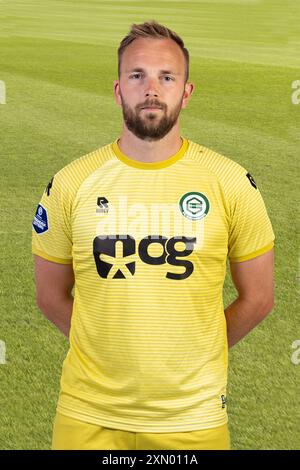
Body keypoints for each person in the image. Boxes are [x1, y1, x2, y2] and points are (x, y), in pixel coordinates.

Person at [32, 20, 275, 450]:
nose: (151, 88)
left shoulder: (231, 182)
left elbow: (258, 298)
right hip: (87, 414)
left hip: (193, 417)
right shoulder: (71, 183)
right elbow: (50, 297)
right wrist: (107, 350)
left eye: (166, 76)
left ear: (186, 91)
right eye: (137, 75)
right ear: (117, 89)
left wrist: (194, 355)